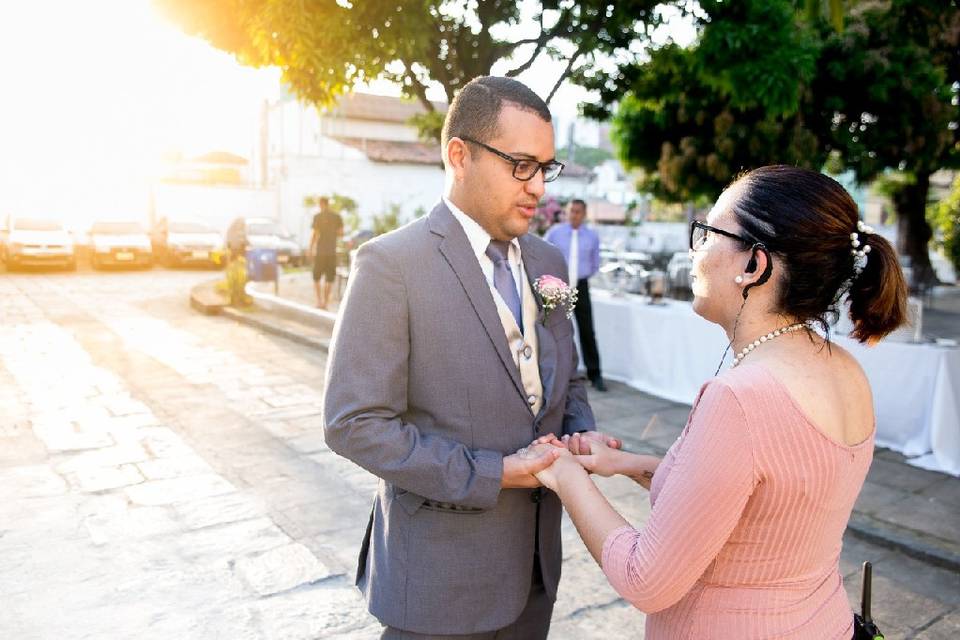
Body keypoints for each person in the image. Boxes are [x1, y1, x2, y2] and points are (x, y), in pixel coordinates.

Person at [526, 165, 908, 639]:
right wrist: (626, 463)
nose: (696, 249)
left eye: (707, 233)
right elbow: (760, 501)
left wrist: (564, 474)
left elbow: (646, 579)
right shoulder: (845, 369)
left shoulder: (740, 399)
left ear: (753, 265)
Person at [322, 76, 619, 639]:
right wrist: (494, 474)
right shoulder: (391, 265)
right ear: (460, 155)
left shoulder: (548, 255)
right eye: (520, 165)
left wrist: (581, 433)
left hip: (534, 570)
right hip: (440, 579)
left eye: (546, 168)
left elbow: (567, 377)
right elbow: (354, 423)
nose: (538, 188)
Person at [545, 199, 606, 391]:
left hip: (581, 286)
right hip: (558, 286)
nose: (574, 215)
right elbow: (542, 253)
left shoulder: (592, 236)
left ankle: (595, 374)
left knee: (587, 331)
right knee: (555, 330)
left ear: (584, 214)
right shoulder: (555, 233)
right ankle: (554, 374)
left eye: (578, 211)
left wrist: (581, 277)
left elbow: (595, 263)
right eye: (571, 211)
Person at [310, 196, 343, 309]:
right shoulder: (337, 217)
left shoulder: (317, 217)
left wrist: (310, 248)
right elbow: (340, 233)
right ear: (328, 204)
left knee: (316, 277)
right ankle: (325, 303)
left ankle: (319, 301)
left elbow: (315, 234)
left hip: (320, 251)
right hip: (331, 251)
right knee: (330, 278)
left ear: (321, 204)